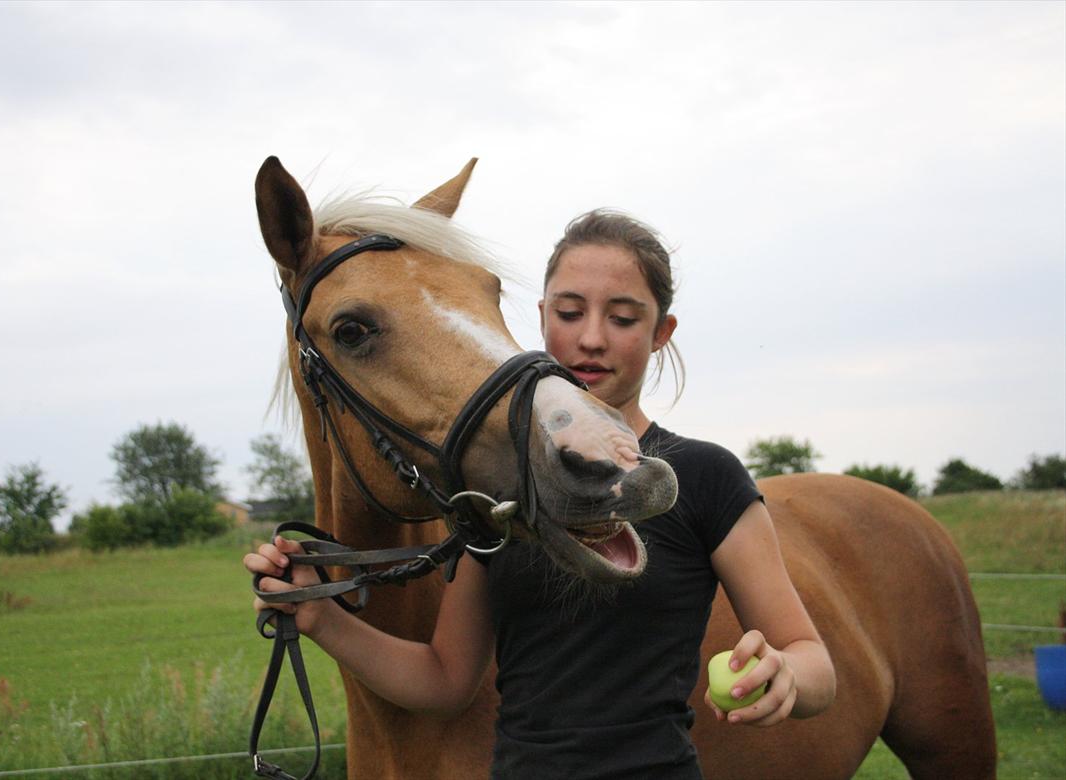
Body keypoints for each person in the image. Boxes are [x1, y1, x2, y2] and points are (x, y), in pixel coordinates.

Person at [245, 209, 836, 779]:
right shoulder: (492, 497)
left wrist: (787, 674)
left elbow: (813, 663)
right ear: (541, 316)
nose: (592, 339)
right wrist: (322, 618)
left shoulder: (706, 477)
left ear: (661, 333)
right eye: (571, 312)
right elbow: (446, 682)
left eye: (624, 319)